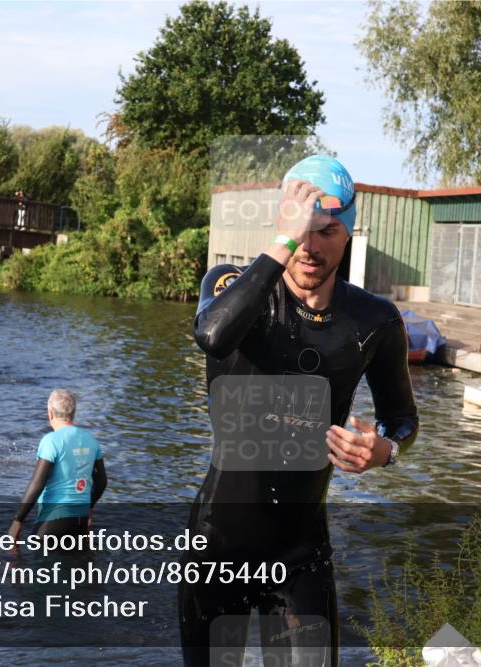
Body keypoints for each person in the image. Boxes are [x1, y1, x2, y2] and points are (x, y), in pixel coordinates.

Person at [179, 155, 420, 666]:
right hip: (217, 544)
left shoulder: (374, 320)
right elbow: (213, 336)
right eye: (301, 231)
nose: (310, 247)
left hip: (299, 552)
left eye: (327, 232)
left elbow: (402, 419)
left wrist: (386, 450)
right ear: (281, 224)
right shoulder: (231, 287)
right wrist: (281, 242)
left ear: (348, 233)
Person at [8, 390, 107, 544]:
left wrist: (17, 520)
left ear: (50, 413)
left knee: (28, 562)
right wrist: (89, 507)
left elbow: (37, 484)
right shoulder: (91, 440)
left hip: (52, 522)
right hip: (80, 524)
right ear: (73, 413)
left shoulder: (51, 441)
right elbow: (101, 482)